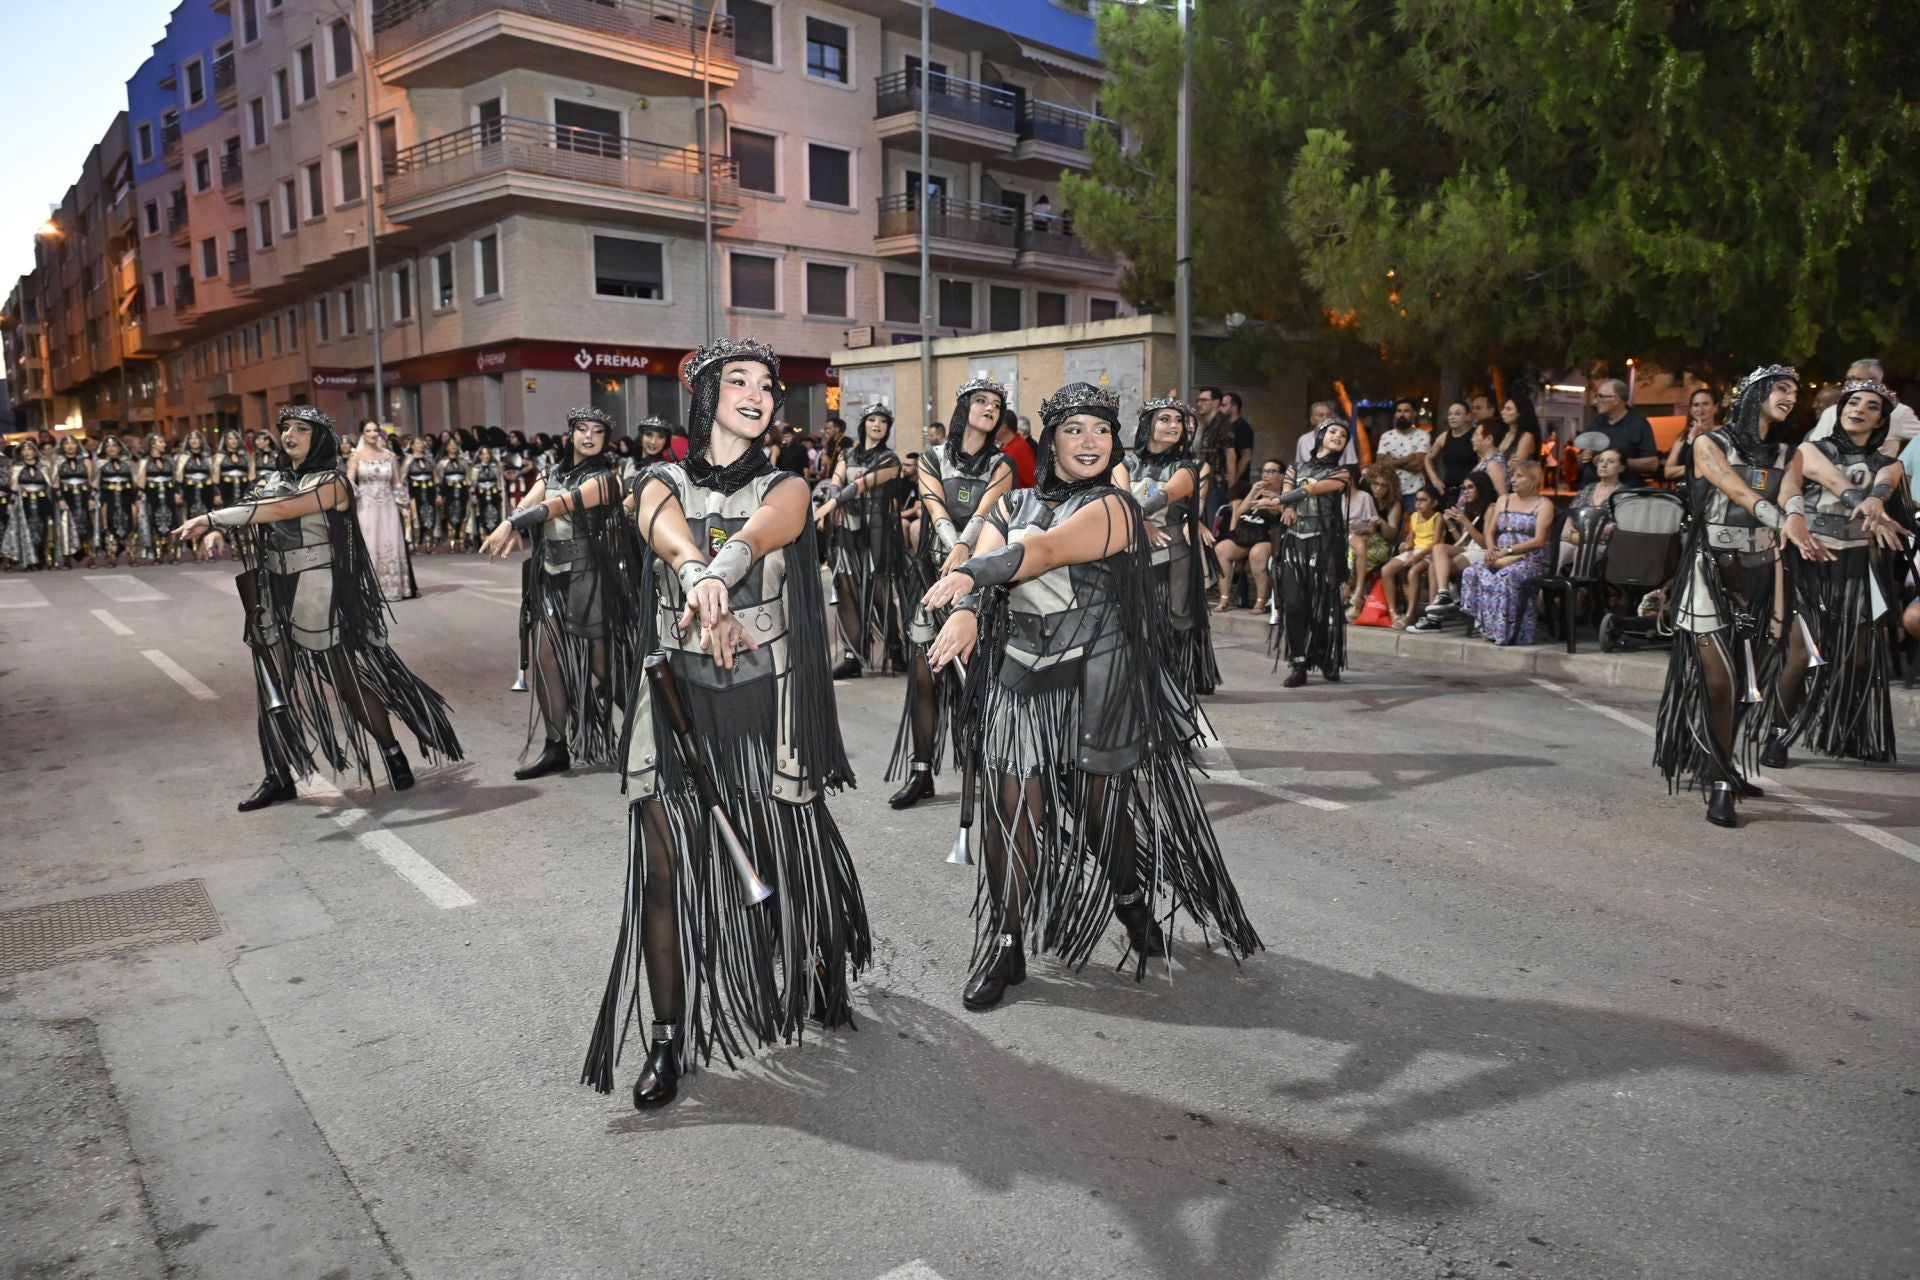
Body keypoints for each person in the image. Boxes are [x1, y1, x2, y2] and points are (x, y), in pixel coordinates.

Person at [580, 336, 868, 1111]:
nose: (758, 392)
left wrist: (721, 572)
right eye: (737, 380)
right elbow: (662, 526)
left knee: (779, 845)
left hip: (763, 691)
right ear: (705, 397)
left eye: (768, 384)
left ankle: (812, 957)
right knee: (663, 869)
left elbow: (764, 530)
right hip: (675, 692)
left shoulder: (790, 486)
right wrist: (690, 572)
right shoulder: (657, 480)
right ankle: (668, 1036)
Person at [919, 381, 1261, 1011]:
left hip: (1098, 677)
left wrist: (970, 576)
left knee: (1106, 817)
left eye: (1102, 430)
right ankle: (1005, 942)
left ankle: (1128, 900)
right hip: (1021, 675)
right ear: (1049, 439)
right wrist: (966, 608)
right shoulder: (1012, 501)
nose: (1090, 442)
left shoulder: (1116, 507)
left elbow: (1042, 552)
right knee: (1012, 805)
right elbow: (990, 545)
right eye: (1074, 429)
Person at [174, 406, 462, 811]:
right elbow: (255, 505)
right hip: (275, 587)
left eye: (301, 429)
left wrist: (212, 517)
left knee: (344, 681)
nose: (289, 434)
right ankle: (278, 776)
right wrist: (217, 530)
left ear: (320, 438)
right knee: (273, 685)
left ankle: (393, 752)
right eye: (285, 428)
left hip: (320, 590)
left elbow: (282, 510)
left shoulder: (333, 483)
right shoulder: (273, 479)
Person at [1654, 365, 1824, 828]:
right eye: (1780, 389)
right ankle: (1723, 784)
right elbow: (1734, 488)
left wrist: (1796, 515)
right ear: (1752, 395)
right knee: (1720, 680)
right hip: (1711, 572)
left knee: (1750, 683)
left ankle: (1718, 763)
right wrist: (1780, 517)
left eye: (1795, 391)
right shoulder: (1709, 442)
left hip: (1762, 575)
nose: (1790, 396)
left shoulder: (1790, 452)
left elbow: (1791, 492)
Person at [1757, 378, 1909, 767]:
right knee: (1803, 653)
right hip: (1813, 564)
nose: (1858, 409)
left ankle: (1841, 728)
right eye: (1852, 402)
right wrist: (1866, 500)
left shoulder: (1888, 464)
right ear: (1839, 410)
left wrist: (1877, 500)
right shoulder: (1809, 450)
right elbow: (1812, 482)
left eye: (1871, 406)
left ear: (1881, 421)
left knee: (1858, 659)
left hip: (1858, 568)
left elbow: (1887, 483)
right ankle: (1778, 733)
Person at [480, 407, 637, 780]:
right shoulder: (553, 472)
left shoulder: (604, 480)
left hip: (588, 577)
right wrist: (513, 517)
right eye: (581, 429)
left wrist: (512, 524)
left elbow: (555, 506)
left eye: (597, 431)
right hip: (550, 575)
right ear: (570, 434)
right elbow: (531, 500)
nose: (588, 436)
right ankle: (556, 747)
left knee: (603, 667)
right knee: (545, 657)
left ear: (605, 440)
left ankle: (649, 734)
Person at [887, 378, 1017, 810]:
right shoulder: (931, 457)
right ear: (964, 406)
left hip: (976, 580)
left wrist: (964, 555)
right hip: (930, 574)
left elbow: (986, 515)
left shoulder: (1002, 465)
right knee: (924, 678)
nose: (989, 408)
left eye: (996, 404)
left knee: (976, 678)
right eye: (981, 401)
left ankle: (982, 763)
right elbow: (934, 505)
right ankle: (921, 771)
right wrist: (951, 545)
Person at [1117, 396, 1219, 699]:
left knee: (1171, 627)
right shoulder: (1123, 462)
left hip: (1172, 556)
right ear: (1148, 425)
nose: (1174, 426)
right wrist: (1140, 521)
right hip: (1129, 555)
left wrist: (1139, 514)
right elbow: (1119, 496)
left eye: (1178, 421)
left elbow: (1167, 494)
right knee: (1133, 628)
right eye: (1165, 419)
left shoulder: (1189, 467)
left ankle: (1175, 704)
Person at [813, 404, 910, 679]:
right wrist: (834, 501)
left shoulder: (890, 459)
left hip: (877, 530)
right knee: (845, 589)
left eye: (883, 421)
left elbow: (861, 485)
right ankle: (852, 657)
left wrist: (830, 504)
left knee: (878, 591)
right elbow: (836, 479)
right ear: (864, 423)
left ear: (887, 428)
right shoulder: (847, 453)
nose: (877, 425)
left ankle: (894, 648)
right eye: (872, 420)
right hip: (847, 529)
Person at [1273, 420, 1356, 686]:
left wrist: (1286, 499)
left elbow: (1315, 488)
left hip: (1324, 545)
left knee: (1322, 606)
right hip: (1295, 542)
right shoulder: (1294, 467)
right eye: (1333, 431)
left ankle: (1323, 657)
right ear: (1320, 436)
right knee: (1295, 604)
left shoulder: (1342, 473)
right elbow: (1287, 493)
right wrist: (1285, 506)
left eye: (1343, 435)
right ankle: (1298, 662)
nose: (1338, 436)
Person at [1457, 459, 1555, 645]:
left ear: (1533, 479)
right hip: (1500, 556)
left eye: (1519, 476)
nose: (1514, 480)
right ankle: (1487, 625)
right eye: (1513, 475)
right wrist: (1491, 548)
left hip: (1529, 560)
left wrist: (1508, 550)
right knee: (1472, 571)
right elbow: (1491, 531)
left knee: (1505, 577)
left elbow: (1539, 540)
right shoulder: (1504, 500)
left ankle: (1507, 632)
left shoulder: (1544, 504)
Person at [347, 421, 410, 601]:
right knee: (369, 542)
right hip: (365, 506)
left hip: (388, 505)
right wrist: (353, 499)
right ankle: (368, 588)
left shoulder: (389, 456)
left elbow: (396, 483)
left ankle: (391, 587)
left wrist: (404, 507)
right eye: (368, 431)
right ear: (362, 434)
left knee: (389, 542)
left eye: (375, 430)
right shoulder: (355, 456)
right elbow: (349, 482)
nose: (372, 434)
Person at [1214, 459, 1282, 611]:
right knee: (1221, 549)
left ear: (1281, 476)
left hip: (1267, 536)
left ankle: (1260, 601)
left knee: (1257, 553)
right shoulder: (1255, 491)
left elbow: (1288, 514)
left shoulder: (1285, 493)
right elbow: (1238, 513)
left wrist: (1275, 501)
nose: (1267, 474)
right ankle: (1224, 598)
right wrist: (1253, 492)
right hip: (1246, 534)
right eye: (1264, 471)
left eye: (1272, 471)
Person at [1806, 359, 1920, 446]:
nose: (1848, 384)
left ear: (1876, 381)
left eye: (1855, 379)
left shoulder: (1898, 413)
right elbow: (1814, 449)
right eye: (1847, 379)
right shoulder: (1831, 412)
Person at [1349, 463, 1403, 617]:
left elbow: (1392, 535)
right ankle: (1351, 596)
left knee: (1356, 556)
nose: (1378, 489)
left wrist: (1382, 523)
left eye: (1383, 486)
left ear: (1390, 487)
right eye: (1375, 484)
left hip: (1381, 543)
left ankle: (1356, 596)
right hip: (1358, 537)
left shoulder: (1393, 504)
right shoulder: (1363, 496)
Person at [1382, 485, 1442, 627]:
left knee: (1413, 572)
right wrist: (1407, 544)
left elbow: (1435, 543)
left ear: (1434, 503)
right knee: (1386, 570)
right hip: (1415, 550)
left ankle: (1410, 614)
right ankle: (1393, 612)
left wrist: (1416, 557)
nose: (1418, 503)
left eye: (1423, 500)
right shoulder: (1414, 515)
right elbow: (1412, 536)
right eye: (1417, 500)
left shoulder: (1437, 517)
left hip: (1430, 553)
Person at [1580, 380, 1660, 484]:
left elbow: (1652, 464)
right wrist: (1585, 457)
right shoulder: (1596, 422)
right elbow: (1580, 458)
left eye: (1600, 396)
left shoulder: (1638, 424)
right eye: (1596, 396)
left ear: (1616, 400)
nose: (1595, 401)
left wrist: (1619, 462)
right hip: (1591, 488)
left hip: (1622, 492)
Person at [2, 441, 56, 570]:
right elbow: (14, 488)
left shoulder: (44, 466)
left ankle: (45, 558)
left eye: (30, 449)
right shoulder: (17, 467)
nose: (27, 453)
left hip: (42, 500)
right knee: (27, 530)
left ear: (35, 451)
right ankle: (29, 561)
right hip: (24, 502)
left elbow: (50, 485)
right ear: (20, 453)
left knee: (44, 529)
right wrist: (11, 504)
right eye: (24, 450)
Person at [1376, 398, 1430, 512]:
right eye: (1399, 411)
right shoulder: (1386, 436)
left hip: (1414, 492)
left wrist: (1391, 461)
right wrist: (1407, 459)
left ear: (1414, 414)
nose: (1402, 414)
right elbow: (1380, 465)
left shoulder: (1423, 436)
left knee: (1416, 527)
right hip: (1390, 491)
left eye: (1406, 411)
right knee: (1390, 528)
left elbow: (1418, 465)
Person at [94, 436, 140, 568]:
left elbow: (135, 482)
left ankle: (132, 555)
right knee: (108, 527)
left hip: (127, 497)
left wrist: (137, 499)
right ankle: (111, 556)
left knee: (131, 525)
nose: (111, 449)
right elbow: (95, 484)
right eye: (108, 446)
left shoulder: (129, 463)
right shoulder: (100, 464)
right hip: (108, 499)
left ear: (120, 448)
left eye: (114, 446)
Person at [52, 435, 94, 568]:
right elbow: (55, 483)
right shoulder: (58, 462)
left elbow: (92, 481)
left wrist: (92, 498)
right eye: (66, 444)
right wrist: (59, 499)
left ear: (77, 445)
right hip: (66, 496)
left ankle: (90, 556)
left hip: (83, 496)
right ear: (62, 446)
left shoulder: (86, 461)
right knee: (66, 526)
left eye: (73, 443)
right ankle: (67, 558)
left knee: (87, 525)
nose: (70, 446)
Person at [1424, 401, 1479, 503]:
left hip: (1470, 492)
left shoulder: (1476, 435)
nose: (1452, 417)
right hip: (1448, 491)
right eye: (1450, 414)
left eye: (1457, 414)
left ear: (1468, 416)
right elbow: (1428, 457)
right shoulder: (1444, 437)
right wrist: (1434, 478)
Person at [137, 434, 179, 564]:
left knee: (172, 521)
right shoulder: (145, 461)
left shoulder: (169, 460)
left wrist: (177, 493)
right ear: (153, 444)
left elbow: (174, 478)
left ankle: (172, 553)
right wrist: (139, 498)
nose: (164, 444)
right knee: (154, 522)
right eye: (161, 442)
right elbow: (140, 483)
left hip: (169, 493)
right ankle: (158, 554)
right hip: (152, 495)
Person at [177, 430, 217, 561]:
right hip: (189, 491)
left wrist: (216, 493)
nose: (194, 441)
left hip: (207, 490)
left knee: (207, 519)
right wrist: (178, 493)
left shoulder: (208, 457)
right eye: (191, 438)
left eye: (196, 438)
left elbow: (213, 476)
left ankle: (208, 549)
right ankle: (194, 549)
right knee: (191, 518)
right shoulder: (182, 457)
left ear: (201, 441)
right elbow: (178, 478)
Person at [434, 436, 472, 552]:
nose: (453, 447)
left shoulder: (464, 462)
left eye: (455, 445)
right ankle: (451, 544)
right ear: (446, 448)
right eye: (450, 445)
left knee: (463, 516)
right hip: (448, 493)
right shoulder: (442, 463)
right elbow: (438, 480)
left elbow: (469, 478)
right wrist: (439, 495)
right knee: (449, 516)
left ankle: (462, 543)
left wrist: (472, 494)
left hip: (462, 492)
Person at [996, 409, 1037, 488]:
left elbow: (1033, 482)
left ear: (1004, 427)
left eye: (996, 424)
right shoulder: (1005, 446)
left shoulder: (1019, 448)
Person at [1497, 395, 1543, 463]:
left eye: (1508, 409)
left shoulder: (1527, 436)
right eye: (1504, 408)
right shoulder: (1506, 433)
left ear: (1520, 413)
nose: (1502, 412)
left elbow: (1516, 464)